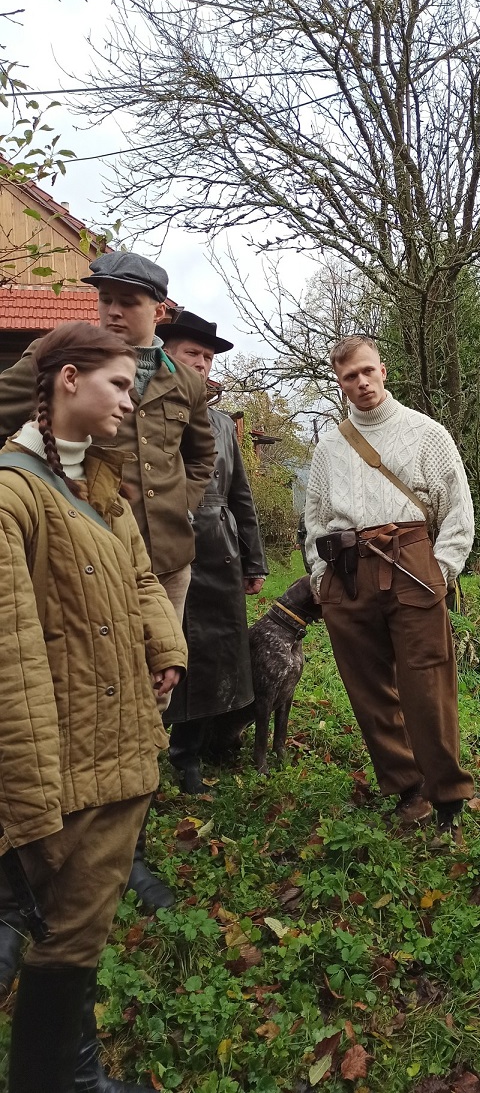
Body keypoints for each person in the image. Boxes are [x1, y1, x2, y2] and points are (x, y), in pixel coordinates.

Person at [0, 254, 214, 963]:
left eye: (128, 301)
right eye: (105, 300)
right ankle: (56, 856)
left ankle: (126, 849)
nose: (112, 311)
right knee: (61, 698)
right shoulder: (61, 356)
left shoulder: (184, 378)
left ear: (162, 308)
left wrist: (180, 503)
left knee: (145, 695)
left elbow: (202, 452)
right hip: (65, 545)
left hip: (157, 562)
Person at [0, 322, 186, 1093]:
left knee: (79, 933)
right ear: (68, 379)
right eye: (118, 383)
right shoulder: (14, 492)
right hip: (64, 767)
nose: (130, 399)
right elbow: (11, 666)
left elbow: (142, 580)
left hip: (116, 754)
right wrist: (33, 809)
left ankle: (65, 1079)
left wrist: (166, 646)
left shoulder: (99, 483)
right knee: (43, 929)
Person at [303, 336, 475, 831]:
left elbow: (458, 512)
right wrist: (320, 575)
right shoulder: (330, 448)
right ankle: (406, 788)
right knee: (368, 689)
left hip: (411, 563)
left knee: (427, 684)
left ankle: (447, 797)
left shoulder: (427, 433)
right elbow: (315, 519)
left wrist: (441, 570)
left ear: (383, 369)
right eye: (348, 378)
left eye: (366, 372)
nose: (360, 383)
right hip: (347, 572)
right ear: (339, 385)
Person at [158, 310, 268, 793]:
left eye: (207, 356)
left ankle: (212, 739)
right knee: (173, 648)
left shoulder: (223, 423)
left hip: (220, 548)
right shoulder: (145, 412)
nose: (201, 363)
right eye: (191, 354)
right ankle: (179, 756)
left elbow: (241, 494)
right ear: (167, 354)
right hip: (166, 545)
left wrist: (254, 560)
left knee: (222, 652)